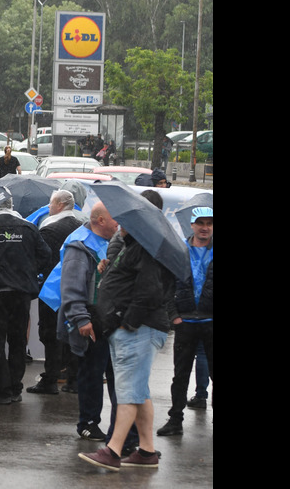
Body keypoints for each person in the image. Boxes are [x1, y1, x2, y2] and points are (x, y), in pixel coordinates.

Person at [79, 210, 176, 471]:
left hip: (137, 331)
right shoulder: (135, 247)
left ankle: (113, 450)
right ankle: (146, 451)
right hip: (134, 329)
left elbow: (149, 292)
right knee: (139, 392)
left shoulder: (143, 250)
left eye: (126, 221)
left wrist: (126, 322)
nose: (120, 224)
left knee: (129, 393)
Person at [51, 202, 125, 445]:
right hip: (92, 319)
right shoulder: (80, 245)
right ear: (100, 220)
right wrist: (81, 319)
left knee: (114, 375)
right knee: (92, 373)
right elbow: (71, 287)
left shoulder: (113, 243)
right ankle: (88, 423)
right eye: (115, 218)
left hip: (110, 319)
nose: (119, 223)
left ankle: (119, 426)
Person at [0, 196, 51, 404]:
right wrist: (29, 271)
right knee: (18, 340)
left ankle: (2, 390)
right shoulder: (28, 228)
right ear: (11, 205)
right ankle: (15, 387)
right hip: (21, 293)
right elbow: (45, 254)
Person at [157, 207, 213, 437]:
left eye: (209, 223)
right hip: (185, 322)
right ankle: (175, 419)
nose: (205, 227)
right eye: (200, 222)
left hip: (211, 321)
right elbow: (166, 284)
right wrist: (174, 316)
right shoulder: (179, 250)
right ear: (191, 225)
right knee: (180, 375)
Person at [28, 190, 84, 395]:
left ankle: (50, 378)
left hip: (52, 289)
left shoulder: (48, 230)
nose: (49, 207)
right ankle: (73, 378)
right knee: (72, 333)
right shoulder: (80, 227)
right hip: (76, 290)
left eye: (51, 203)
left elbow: (41, 260)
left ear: (60, 205)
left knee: (50, 334)